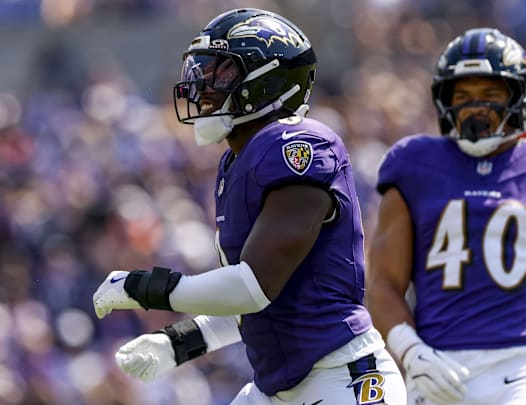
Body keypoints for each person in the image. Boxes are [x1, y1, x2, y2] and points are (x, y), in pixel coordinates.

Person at [92, 8, 405, 405]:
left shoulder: (300, 145)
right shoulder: (235, 163)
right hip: (276, 388)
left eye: (220, 73)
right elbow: (253, 307)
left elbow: (251, 287)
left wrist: (144, 288)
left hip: (341, 379)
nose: (202, 85)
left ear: (267, 82)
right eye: (201, 71)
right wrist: (178, 343)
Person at [365, 27, 526, 405]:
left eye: (491, 94)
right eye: (463, 95)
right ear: (444, 100)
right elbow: (383, 283)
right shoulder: (413, 164)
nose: (476, 107)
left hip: (519, 371)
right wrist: (411, 351)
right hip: (436, 367)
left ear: (519, 97)